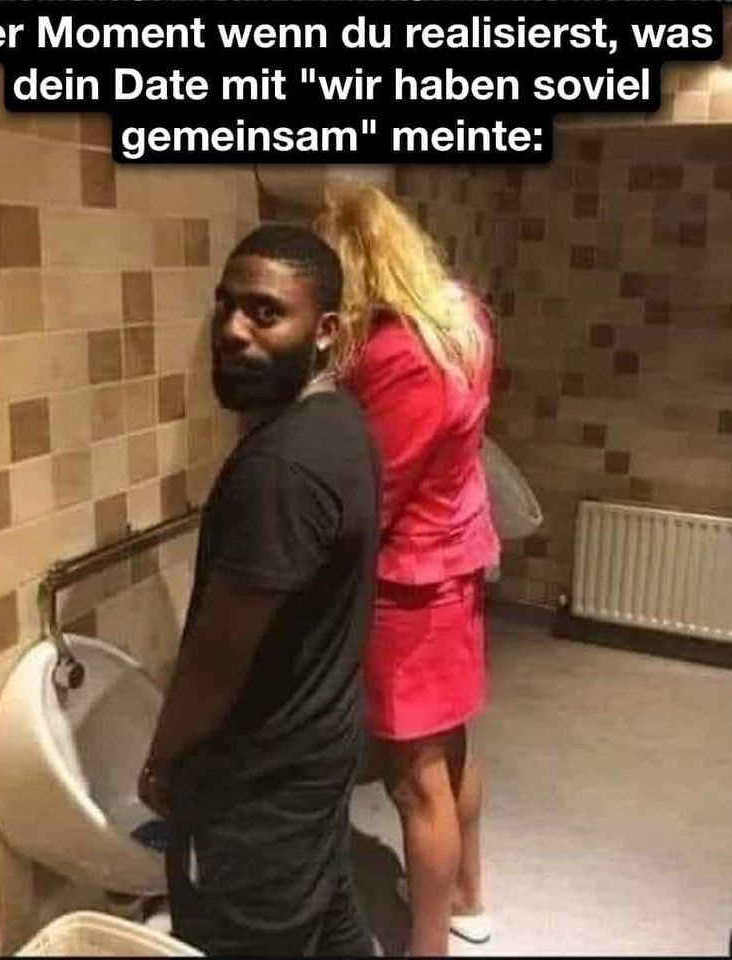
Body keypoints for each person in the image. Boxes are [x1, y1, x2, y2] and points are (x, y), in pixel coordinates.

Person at [138, 224, 380, 957]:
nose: (233, 330)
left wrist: (163, 761)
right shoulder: (338, 421)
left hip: (258, 785)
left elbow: (218, 660)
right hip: (317, 748)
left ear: (325, 330)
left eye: (266, 313)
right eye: (226, 305)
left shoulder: (280, 470)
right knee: (329, 917)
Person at [315, 186, 500, 957]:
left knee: (413, 780)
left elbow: (378, 489)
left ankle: (428, 948)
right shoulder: (462, 317)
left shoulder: (399, 353)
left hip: (411, 583)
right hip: (458, 559)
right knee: (449, 753)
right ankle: (465, 897)